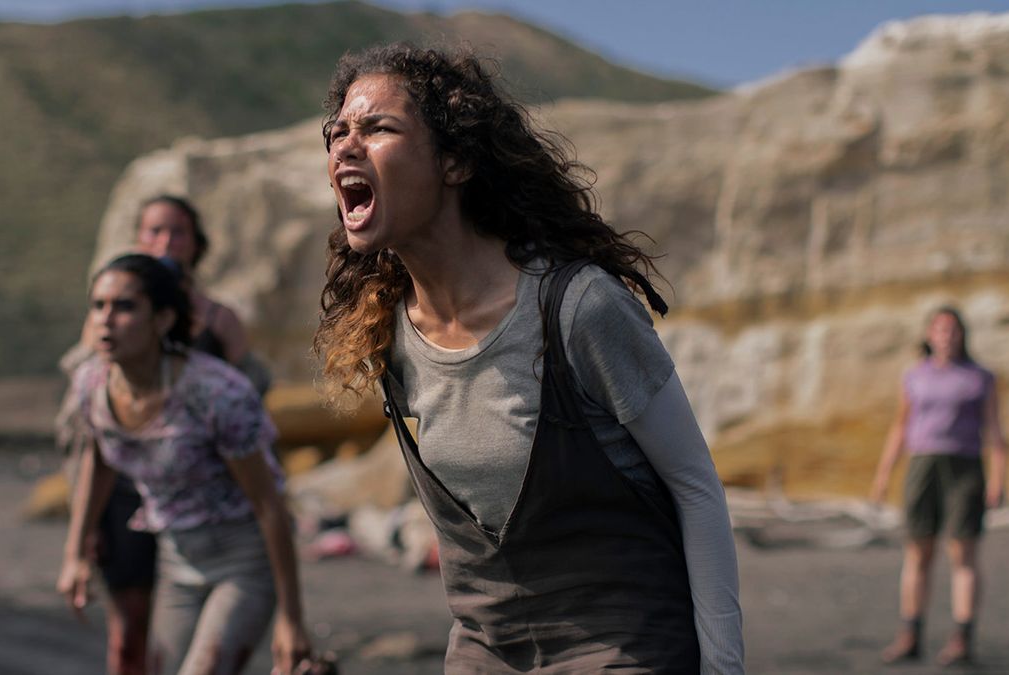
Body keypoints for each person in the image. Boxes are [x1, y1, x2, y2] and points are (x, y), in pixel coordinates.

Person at [313, 43, 744, 674]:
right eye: (339, 131)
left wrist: (724, 666)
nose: (346, 146)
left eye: (378, 128)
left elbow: (695, 486)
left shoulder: (577, 308)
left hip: (621, 645)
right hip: (485, 649)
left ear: (455, 160)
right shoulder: (387, 335)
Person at [56, 253, 317, 675]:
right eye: (98, 305)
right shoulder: (91, 385)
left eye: (124, 307)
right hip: (176, 560)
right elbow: (99, 457)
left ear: (161, 319)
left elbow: (271, 506)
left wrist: (292, 619)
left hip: (244, 562)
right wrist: (75, 553)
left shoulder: (216, 394)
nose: (106, 319)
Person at [871, 306, 1008, 666]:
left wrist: (999, 476)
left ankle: (962, 638)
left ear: (962, 335)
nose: (947, 336)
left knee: (963, 552)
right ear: (929, 335)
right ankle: (910, 635)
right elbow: (900, 427)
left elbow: (994, 431)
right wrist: (884, 474)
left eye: (953, 330)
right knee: (918, 551)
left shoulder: (981, 377)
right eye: (940, 330)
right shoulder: (914, 376)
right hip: (922, 465)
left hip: (964, 468)